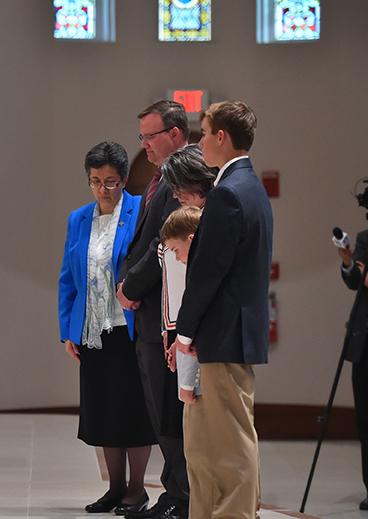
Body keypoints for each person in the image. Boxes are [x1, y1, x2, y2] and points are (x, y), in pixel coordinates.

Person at [172, 101, 271, 518]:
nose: (199, 141)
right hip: (231, 333)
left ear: (221, 138)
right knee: (210, 443)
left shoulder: (230, 193)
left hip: (224, 334)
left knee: (230, 445)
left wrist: (185, 331)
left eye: (203, 132)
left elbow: (209, 273)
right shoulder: (247, 186)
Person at [58, 141, 156, 513]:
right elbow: (69, 277)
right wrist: (68, 328)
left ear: (124, 180)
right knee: (103, 411)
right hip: (92, 328)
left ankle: (136, 488)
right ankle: (114, 487)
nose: (104, 189)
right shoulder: (78, 218)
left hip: (129, 328)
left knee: (133, 410)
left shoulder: (140, 211)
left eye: (111, 182)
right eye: (96, 181)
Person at [116, 100, 189, 519]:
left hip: (163, 311)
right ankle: (173, 491)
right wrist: (128, 280)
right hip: (147, 312)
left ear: (175, 134)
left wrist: (130, 284)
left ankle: (181, 496)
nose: (143, 146)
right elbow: (143, 243)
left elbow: (164, 245)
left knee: (169, 410)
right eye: (141, 136)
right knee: (158, 409)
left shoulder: (181, 176)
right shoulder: (159, 178)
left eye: (150, 136)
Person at [157, 145, 217, 405]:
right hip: (184, 335)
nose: (174, 193)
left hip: (202, 342)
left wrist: (183, 339)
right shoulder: (191, 219)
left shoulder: (210, 224)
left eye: (179, 186)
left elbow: (198, 293)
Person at [338, 221, 368, 510]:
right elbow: (355, 281)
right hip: (365, 343)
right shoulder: (364, 238)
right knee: (365, 418)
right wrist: (348, 261)